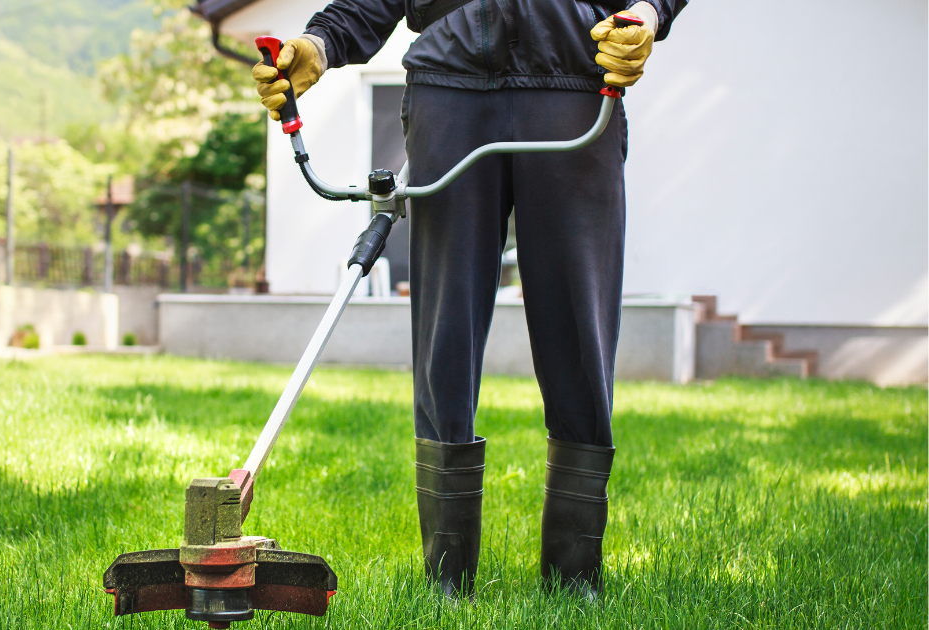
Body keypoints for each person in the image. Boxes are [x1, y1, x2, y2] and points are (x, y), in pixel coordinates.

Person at [252, 0, 686, 599]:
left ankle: (574, 574)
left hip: (575, 82)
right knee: (444, 335)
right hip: (448, 91)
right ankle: (447, 575)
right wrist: (320, 43)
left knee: (580, 331)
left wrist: (649, 12)